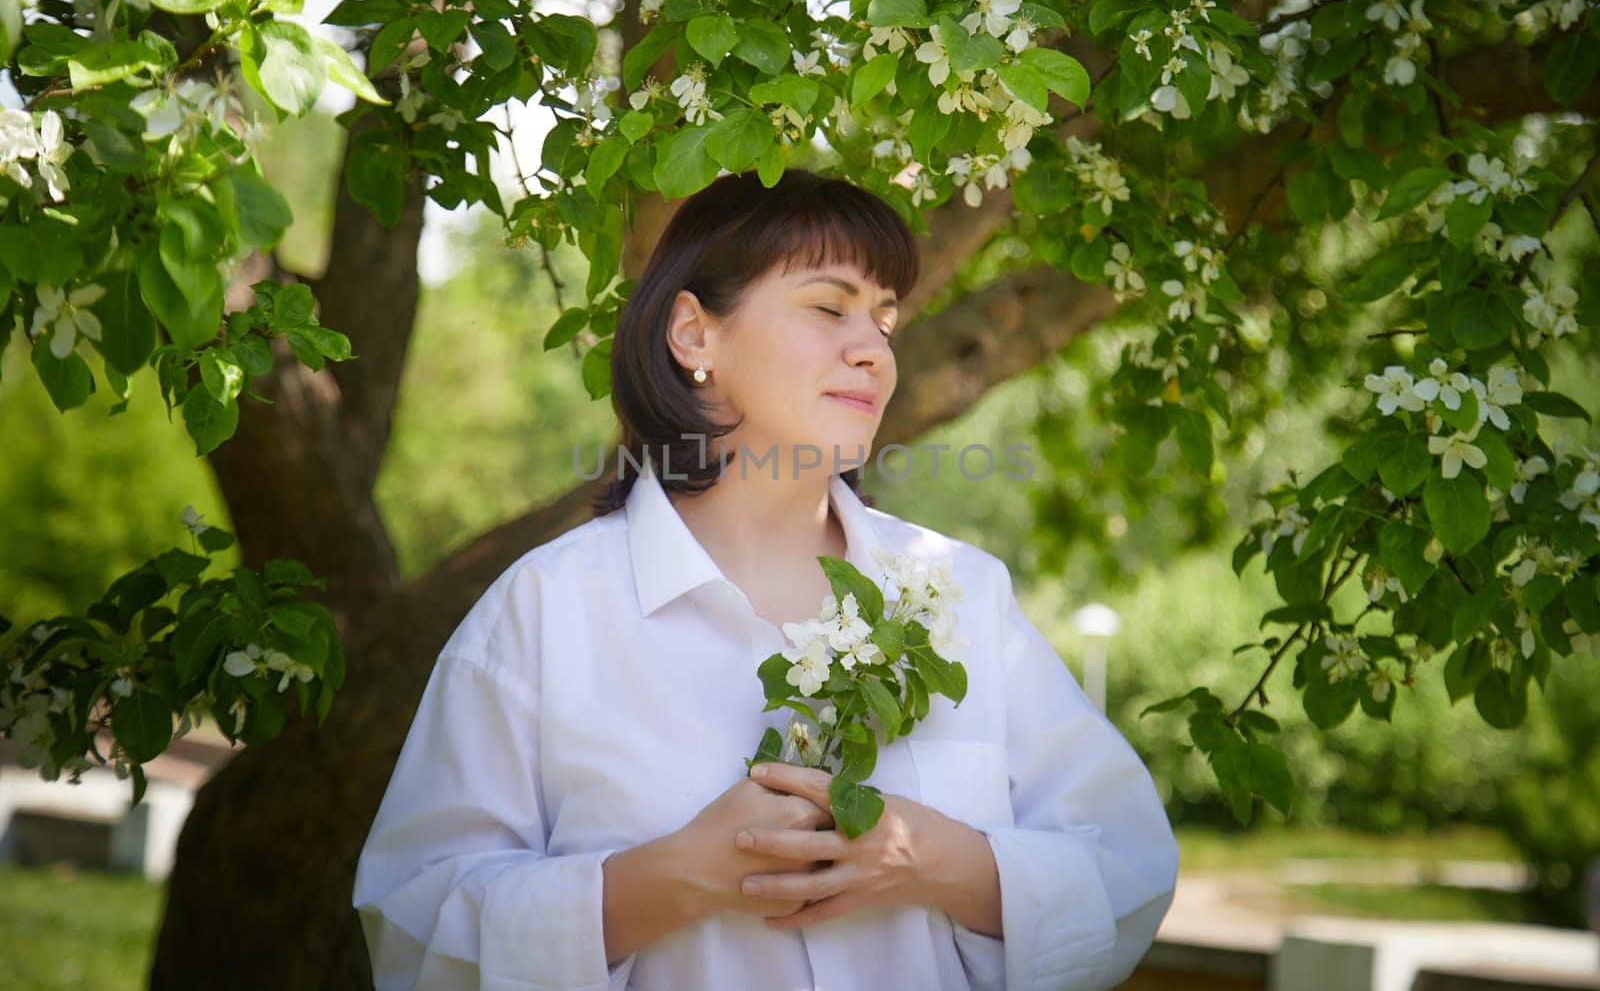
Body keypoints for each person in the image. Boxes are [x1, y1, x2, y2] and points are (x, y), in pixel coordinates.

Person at [352, 169, 1179, 990]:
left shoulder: (961, 591)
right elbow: (414, 926)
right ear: (694, 335)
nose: (874, 350)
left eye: (885, 319)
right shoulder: (545, 612)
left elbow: (1127, 865)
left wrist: (931, 857)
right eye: (829, 307)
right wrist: (675, 875)